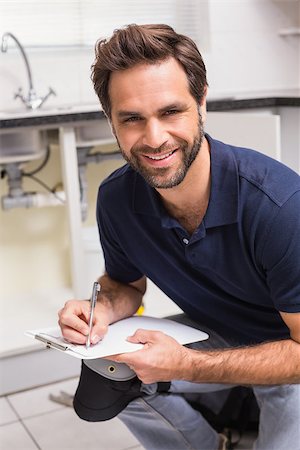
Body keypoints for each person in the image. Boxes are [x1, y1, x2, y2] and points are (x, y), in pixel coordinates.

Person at [58, 24, 300, 450]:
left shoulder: (278, 206)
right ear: (110, 119)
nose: (154, 139)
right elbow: (126, 285)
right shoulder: (117, 198)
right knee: (107, 375)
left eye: (170, 112)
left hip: (289, 352)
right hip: (219, 331)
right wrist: (100, 309)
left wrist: (188, 364)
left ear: (201, 101)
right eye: (132, 118)